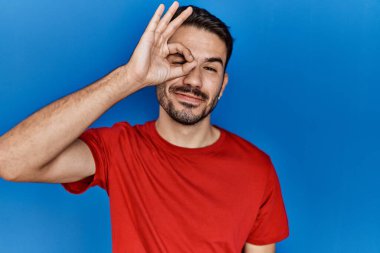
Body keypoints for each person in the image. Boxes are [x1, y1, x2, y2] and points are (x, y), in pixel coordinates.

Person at [0, 2, 289, 253]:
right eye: (180, 60)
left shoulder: (257, 168)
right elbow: (9, 161)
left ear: (222, 86)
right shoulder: (119, 148)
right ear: (158, 66)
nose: (194, 80)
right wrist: (129, 78)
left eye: (210, 68)